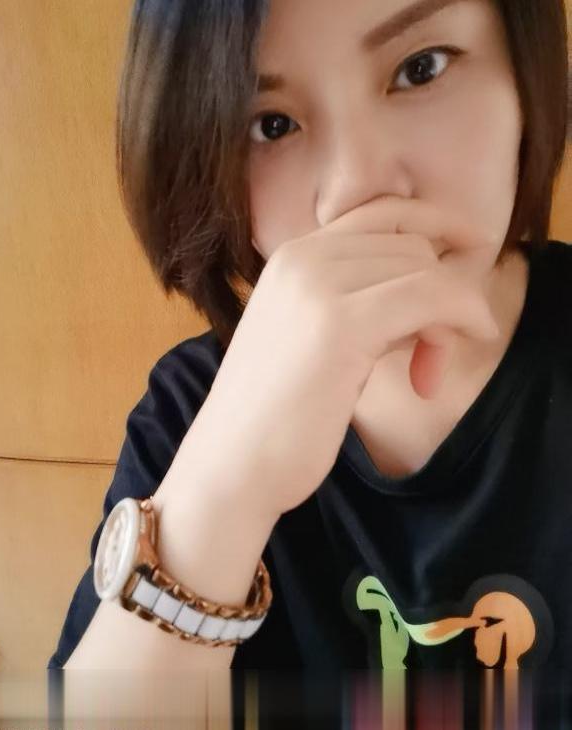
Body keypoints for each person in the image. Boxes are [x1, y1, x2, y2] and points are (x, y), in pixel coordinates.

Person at [48, 0, 570, 675]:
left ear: (525, 69)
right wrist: (227, 488)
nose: (355, 189)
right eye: (271, 125)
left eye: (420, 68)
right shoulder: (190, 410)